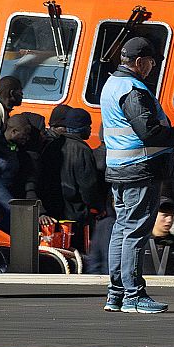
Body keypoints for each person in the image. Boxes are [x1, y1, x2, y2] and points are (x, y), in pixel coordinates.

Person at [100, 36, 174, 313]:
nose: (152, 68)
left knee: (122, 229)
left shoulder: (111, 84)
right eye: (151, 63)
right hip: (140, 169)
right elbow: (149, 132)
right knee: (135, 231)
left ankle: (116, 294)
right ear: (139, 62)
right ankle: (134, 295)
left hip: (119, 168)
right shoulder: (133, 89)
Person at [56, 107, 110, 275]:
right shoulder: (83, 150)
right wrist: (99, 208)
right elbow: (88, 186)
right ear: (82, 127)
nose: (90, 129)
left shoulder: (54, 145)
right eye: (88, 125)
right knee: (77, 250)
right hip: (76, 213)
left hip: (56, 209)